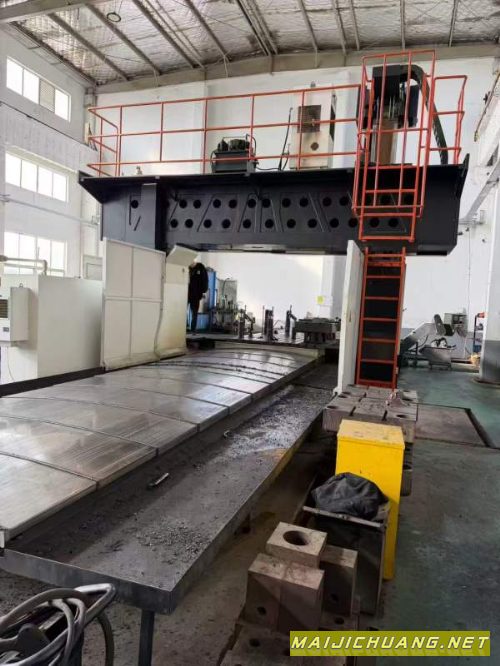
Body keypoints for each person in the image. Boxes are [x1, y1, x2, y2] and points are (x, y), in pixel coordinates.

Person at [188, 261, 209, 332]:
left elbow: (205, 280)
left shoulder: (200, 267)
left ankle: (193, 329)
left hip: (195, 295)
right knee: (185, 311)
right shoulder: (188, 268)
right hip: (188, 294)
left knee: (194, 313)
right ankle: (186, 328)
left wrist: (203, 291)